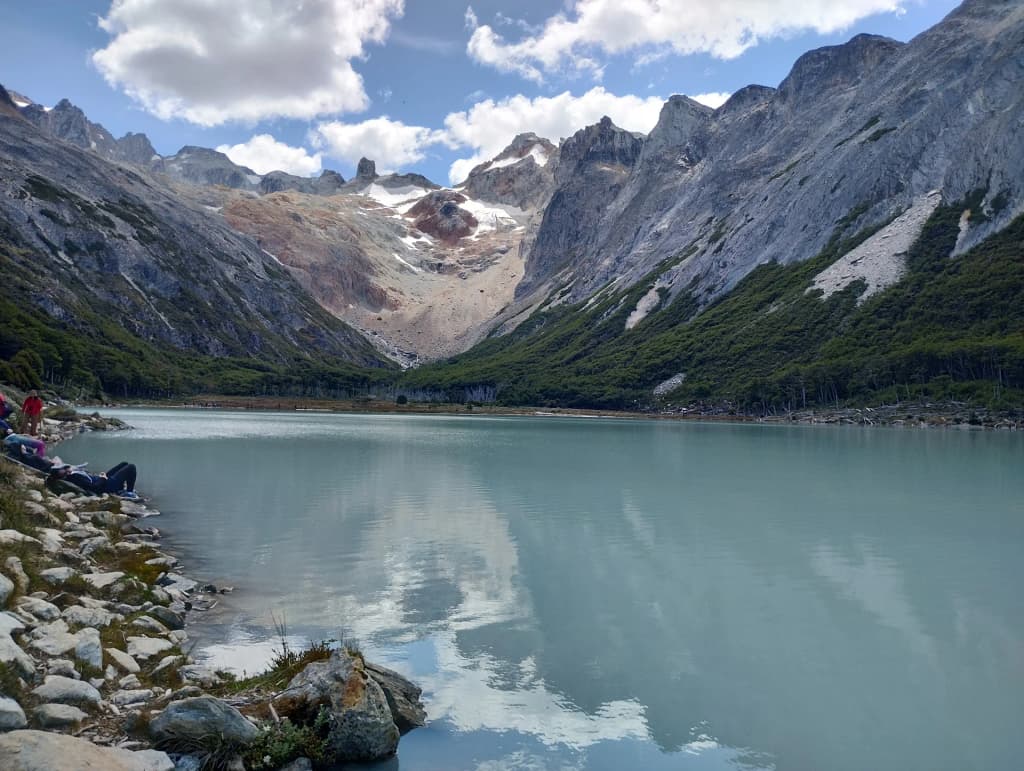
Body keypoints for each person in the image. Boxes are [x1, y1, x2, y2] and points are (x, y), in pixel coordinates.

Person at [48, 460, 139, 498]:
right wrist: (103, 478)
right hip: (107, 485)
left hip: (102, 480)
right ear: (62, 474)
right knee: (131, 467)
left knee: (124, 464)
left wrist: (101, 477)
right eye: (62, 468)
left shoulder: (71, 474)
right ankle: (129, 492)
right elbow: (94, 487)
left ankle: (124, 489)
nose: (64, 467)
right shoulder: (74, 477)